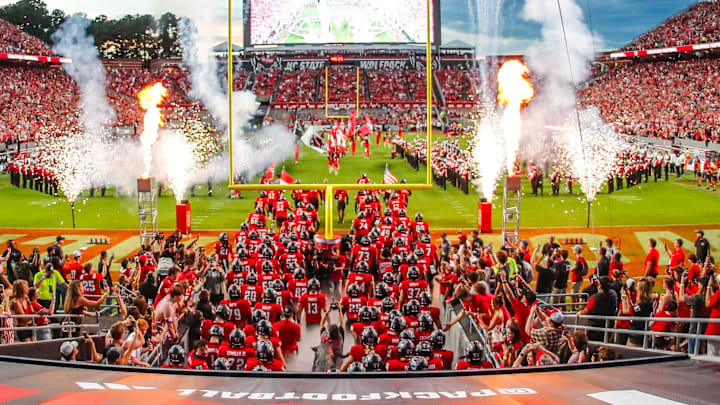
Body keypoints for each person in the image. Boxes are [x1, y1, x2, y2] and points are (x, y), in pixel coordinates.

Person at [577, 276, 618, 342]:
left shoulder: (595, 298)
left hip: (595, 327)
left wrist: (579, 313)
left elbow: (586, 311)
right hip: (609, 324)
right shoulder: (613, 294)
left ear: (600, 286)